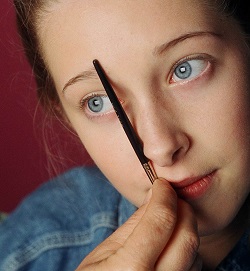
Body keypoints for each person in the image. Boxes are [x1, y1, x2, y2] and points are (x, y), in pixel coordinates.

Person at [1, 0, 250, 270]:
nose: (160, 148)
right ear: (66, 118)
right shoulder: (32, 253)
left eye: (186, 68)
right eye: (100, 102)